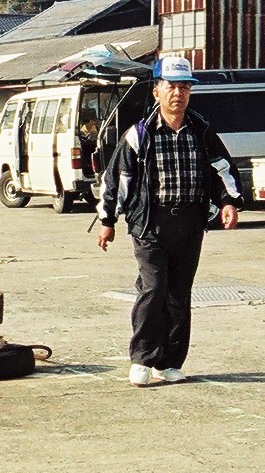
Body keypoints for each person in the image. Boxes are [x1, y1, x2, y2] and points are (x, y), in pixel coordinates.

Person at [94, 55, 243, 386]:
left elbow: (222, 169)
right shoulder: (140, 135)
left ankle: (170, 361)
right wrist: (107, 220)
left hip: (190, 222)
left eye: (185, 87)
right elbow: (117, 179)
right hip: (150, 223)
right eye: (171, 86)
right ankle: (143, 359)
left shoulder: (201, 130)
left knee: (179, 293)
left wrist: (230, 201)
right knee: (154, 287)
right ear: (156, 92)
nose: (178, 93)